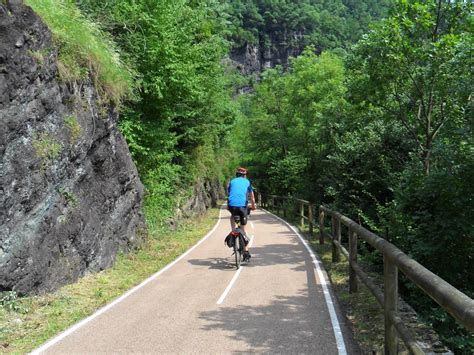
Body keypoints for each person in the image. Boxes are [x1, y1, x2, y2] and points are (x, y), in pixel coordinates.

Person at [227, 167, 256, 261]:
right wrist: (253, 206)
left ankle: (233, 231)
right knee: (244, 229)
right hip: (242, 206)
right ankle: (246, 252)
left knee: (232, 216)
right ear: (244, 175)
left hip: (232, 205)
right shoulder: (247, 182)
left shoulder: (232, 182)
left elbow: (230, 194)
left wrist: (228, 207)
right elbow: (252, 197)